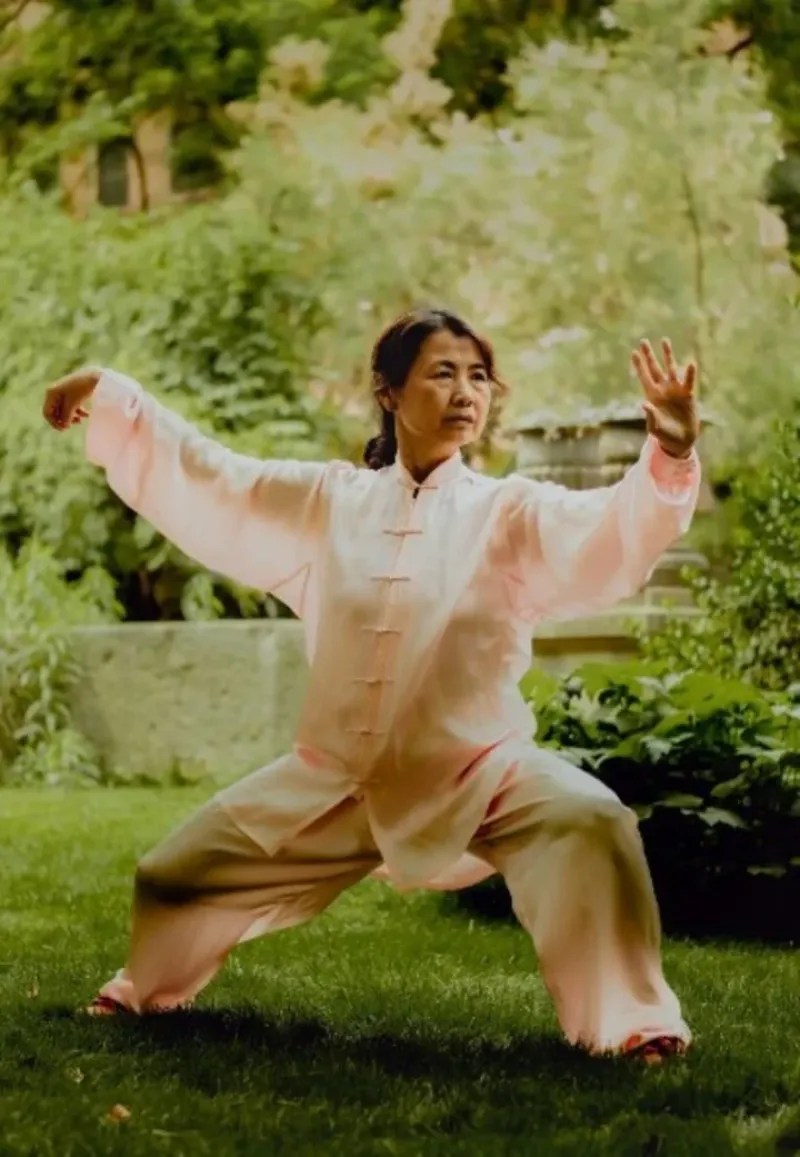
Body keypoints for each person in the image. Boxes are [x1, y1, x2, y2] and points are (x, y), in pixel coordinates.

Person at [42, 308, 701, 1063]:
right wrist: (113, 397)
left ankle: (635, 1025)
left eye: (479, 376)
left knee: (593, 822)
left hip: (479, 769)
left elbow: (609, 526)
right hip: (335, 777)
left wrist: (670, 450)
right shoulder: (330, 502)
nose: (466, 391)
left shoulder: (508, 509)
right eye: (443, 372)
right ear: (389, 391)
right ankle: (140, 990)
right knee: (171, 874)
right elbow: (214, 476)